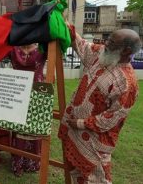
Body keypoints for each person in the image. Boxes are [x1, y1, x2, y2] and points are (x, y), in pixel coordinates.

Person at [59, 26, 141, 183]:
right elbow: (82, 44)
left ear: (126, 51)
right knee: (76, 174)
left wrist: (80, 123)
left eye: (111, 42)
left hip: (93, 140)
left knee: (95, 178)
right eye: (108, 38)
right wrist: (65, 24)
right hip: (75, 131)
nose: (105, 43)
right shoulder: (101, 54)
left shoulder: (127, 83)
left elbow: (112, 118)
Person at [9, 44, 47, 176]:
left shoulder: (43, 47)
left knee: (34, 127)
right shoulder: (12, 48)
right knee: (18, 127)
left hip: (36, 91)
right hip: (18, 91)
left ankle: (31, 163)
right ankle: (19, 163)